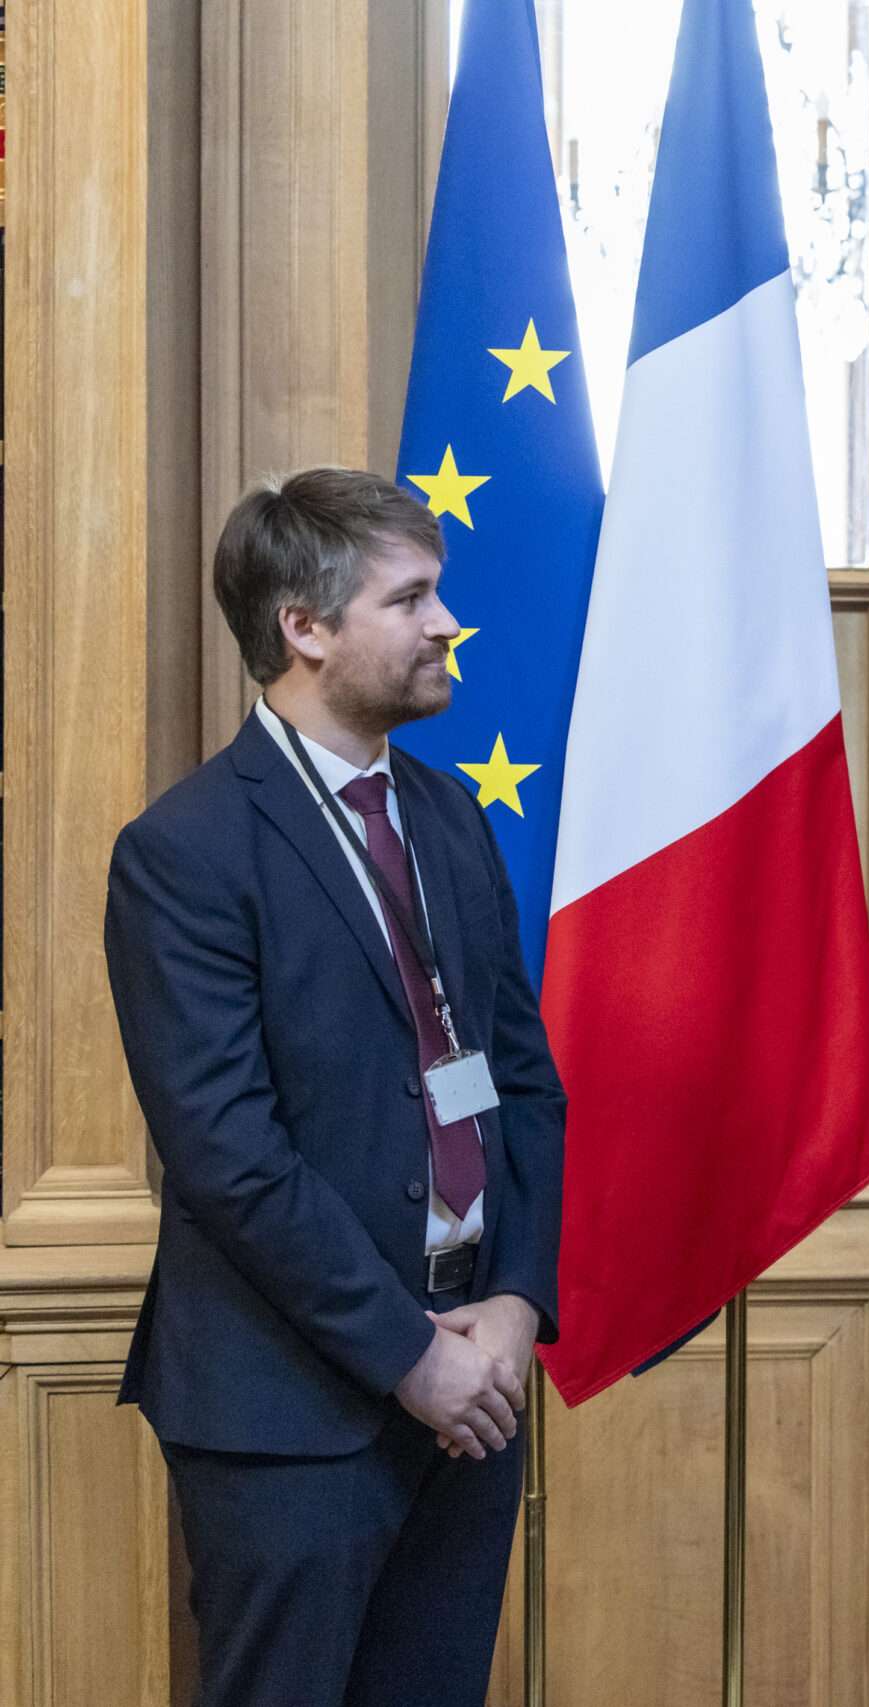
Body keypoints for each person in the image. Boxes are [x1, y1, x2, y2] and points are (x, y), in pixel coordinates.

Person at [103, 469, 567, 1707]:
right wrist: (410, 1355)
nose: (445, 624)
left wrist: (515, 1301)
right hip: (290, 1411)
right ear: (303, 627)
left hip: (475, 1385)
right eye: (409, 599)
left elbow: (522, 1082)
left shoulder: (449, 816)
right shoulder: (186, 851)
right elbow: (229, 1158)